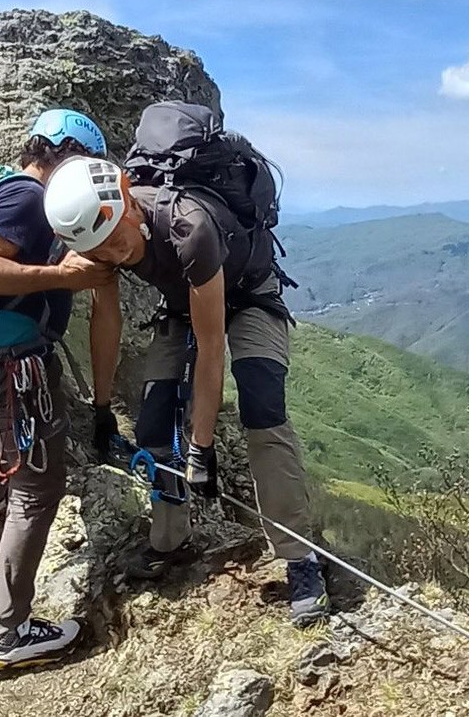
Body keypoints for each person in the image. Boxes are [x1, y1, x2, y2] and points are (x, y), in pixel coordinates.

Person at [41, 155, 330, 627]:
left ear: (128, 201)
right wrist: (101, 407)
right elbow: (106, 321)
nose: (113, 255)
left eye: (117, 240)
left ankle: (301, 560)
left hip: (250, 294)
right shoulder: (96, 244)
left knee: (263, 408)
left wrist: (202, 446)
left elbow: (212, 344)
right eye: (100, 251)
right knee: (154, 423)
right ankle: (170, 540)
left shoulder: (188, 227)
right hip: (182, 306)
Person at [0, 109, 115, 685]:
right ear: (63, 151)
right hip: (15, 364)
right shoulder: (24, 197)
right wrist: (62, 279)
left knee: (6, 429)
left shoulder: (10, 188)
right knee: (40, 489)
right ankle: (7, 636)